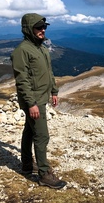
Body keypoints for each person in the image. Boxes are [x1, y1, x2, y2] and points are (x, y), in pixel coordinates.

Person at [11, 13, 67, 189]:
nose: (43, 30)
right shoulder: (22, 51)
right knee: (42, 136)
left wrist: (54, 90)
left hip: (42, 97)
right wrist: (31, 103)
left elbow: (49, 72)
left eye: (44, 27)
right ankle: (44, 174)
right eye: (38, 27)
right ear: (28, 29)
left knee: (29, 130)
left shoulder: (41, 48)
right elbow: (22, 80)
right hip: (33, 100)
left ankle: (27, 164)